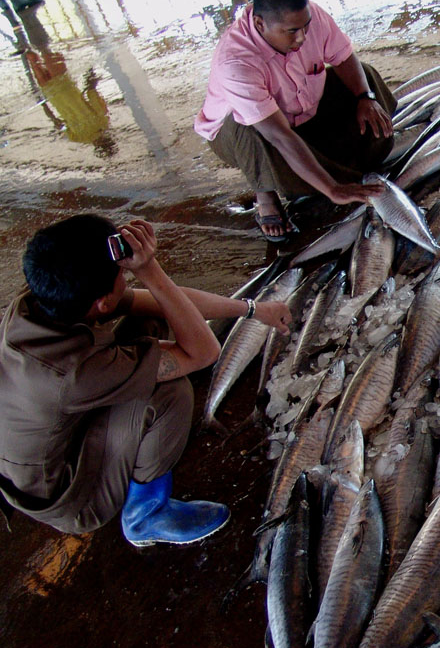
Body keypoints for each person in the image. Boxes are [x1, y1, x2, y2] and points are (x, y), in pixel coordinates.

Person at [0, 216, 291, 546]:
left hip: (48, 442)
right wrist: (148, 268)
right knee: (170, 392)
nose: (127, 278)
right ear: (102, 303)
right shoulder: (76, 373)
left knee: (155, 313)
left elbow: (165, 299)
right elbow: (203, 352)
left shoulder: (40, 301)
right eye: (123, 275)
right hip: (69, 497)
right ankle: (145, 517)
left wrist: (252, 309)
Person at [194, 0, 395, 242]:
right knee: (249, 128)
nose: (301, 38)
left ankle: (336, 165)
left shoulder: (309, 17)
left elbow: (343, 56)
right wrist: (332, 189)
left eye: (305, 27)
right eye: (291, 32)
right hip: (245, 132)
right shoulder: (236, 62)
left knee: (364, 77)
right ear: (259, 24)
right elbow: (280, 136)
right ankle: (265, 192)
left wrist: (365, 97)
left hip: (301, 110)